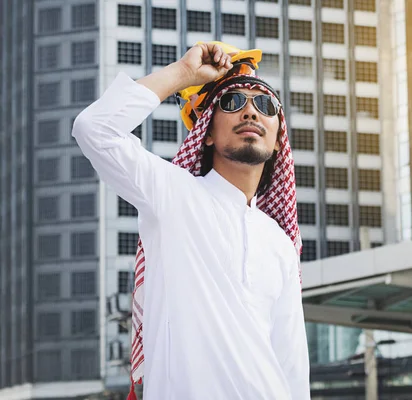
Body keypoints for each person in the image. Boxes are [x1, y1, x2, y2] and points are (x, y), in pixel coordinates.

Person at [72, 42, 310, 400]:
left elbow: (292, 363)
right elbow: (94, 129)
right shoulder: (173, 194)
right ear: (207, 132)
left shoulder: (279, 242)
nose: (250, 112)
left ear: (279, 140)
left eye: (265, 105)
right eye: (232, 103)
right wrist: (184, 73)